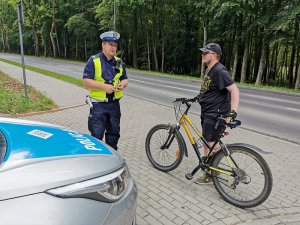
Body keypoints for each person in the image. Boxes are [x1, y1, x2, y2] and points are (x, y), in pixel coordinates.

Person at [194, 43, 239, 183]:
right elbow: (209, 90)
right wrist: (197, 98)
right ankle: (213, 168)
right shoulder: (210, 69)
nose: (203, 54)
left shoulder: (219, 70)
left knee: (209, 143)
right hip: (209, 112)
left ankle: (209, 174)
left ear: (214, 55)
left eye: (205, 52)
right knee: (210, 142)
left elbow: (235, 91)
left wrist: (232, 112)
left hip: (215, 113)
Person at [83, 31, 128, 150]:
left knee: (114, 135)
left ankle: (112, 157)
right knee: (97, 136)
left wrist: (122, 85)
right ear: (103, 45)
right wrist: (104, 87)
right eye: (110, 44)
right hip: (98, 105)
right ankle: (97, 160)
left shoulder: (119, 62)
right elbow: (86, 81)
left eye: (115, 45)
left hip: (114, 105)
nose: (113, 48)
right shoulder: (94, 60)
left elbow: (125, 79)